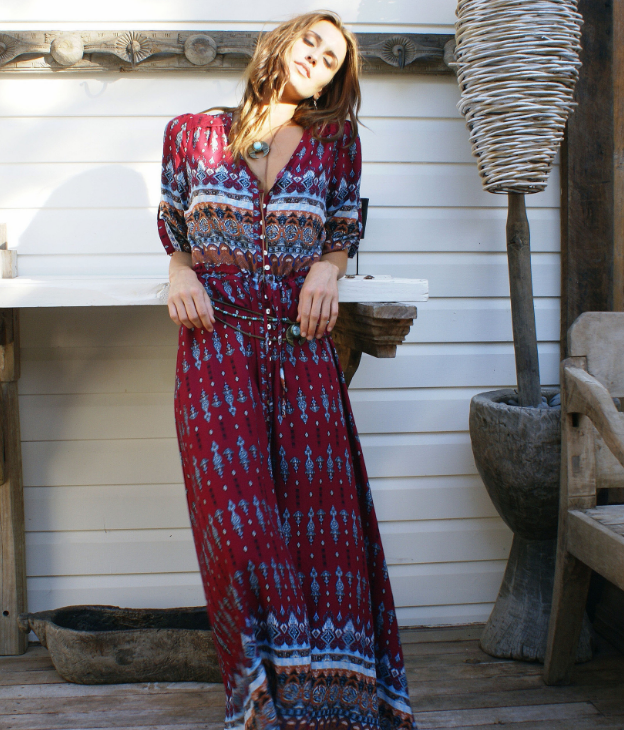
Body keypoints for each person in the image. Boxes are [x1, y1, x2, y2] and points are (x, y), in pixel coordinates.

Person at [157, 11, 416, 729]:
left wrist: (328, 270)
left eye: (332, 59)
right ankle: (263, 704)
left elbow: (340, 229)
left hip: (302, 350)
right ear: (281, 43)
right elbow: (176, 231)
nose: (318, 60)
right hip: (216, 349)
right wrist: (179, 271)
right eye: (312, 43)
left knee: (320, 527)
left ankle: (330, 700)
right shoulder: (190, 134)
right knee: (240, 533)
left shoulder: (336, 144)